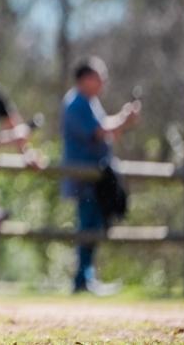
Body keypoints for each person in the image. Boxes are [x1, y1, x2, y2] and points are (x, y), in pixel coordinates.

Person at [61, 56, 141, 294]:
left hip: (96, 178)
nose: (103, 81)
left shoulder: (90, 102)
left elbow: (107, 133)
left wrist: (123, 122)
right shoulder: (77, 102)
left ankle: (87, 277)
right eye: (99, 76)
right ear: (85, 78)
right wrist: (123, 118)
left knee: (94, 226)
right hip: (85, 178)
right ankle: (82, 279)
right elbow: (99, 131)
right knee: (88, 226)